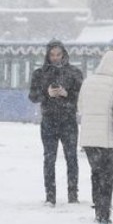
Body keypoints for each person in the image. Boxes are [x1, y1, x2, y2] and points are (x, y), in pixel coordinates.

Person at [78, 49, 113, 224]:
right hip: (109, 137)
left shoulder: (87, 81)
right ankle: (104, 213)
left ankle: (97, 208)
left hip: (89, 137)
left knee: (96, 172)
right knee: (107, 175)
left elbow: (80, 108)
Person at [28, 40, 85, 206]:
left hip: (68, 121)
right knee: (49, 158)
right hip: (48, 121)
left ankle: (73, 195)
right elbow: (32, 96)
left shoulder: (74, 73)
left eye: (58, 54)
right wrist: (46, 93)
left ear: (64, 54)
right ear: (47, 55)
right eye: (52, 55)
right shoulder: (40, 73)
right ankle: (50, 195)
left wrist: (67, 93)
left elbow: (81, 97)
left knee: (71, 157)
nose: (55, 58)